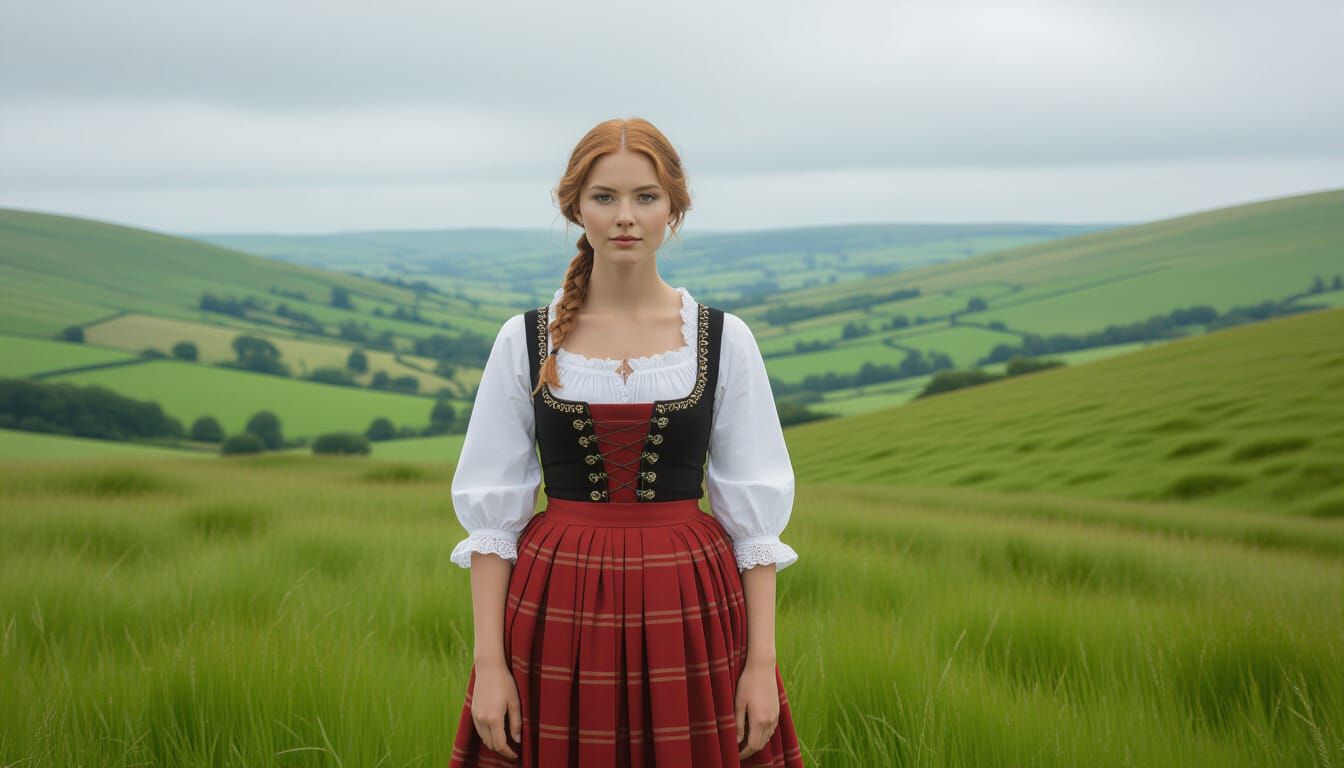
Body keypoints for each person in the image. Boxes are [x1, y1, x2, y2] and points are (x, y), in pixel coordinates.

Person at [447, 117, 804, 767]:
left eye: (645, 197)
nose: (625, 217)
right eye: (605, 197)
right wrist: (490, 666)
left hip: (690, 607)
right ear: (575, 207)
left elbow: (754, 530)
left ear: (674, 207)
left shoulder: (724, 339)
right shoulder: (523, 339)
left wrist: (761, 665)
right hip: (556, 603)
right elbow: (492, 517)